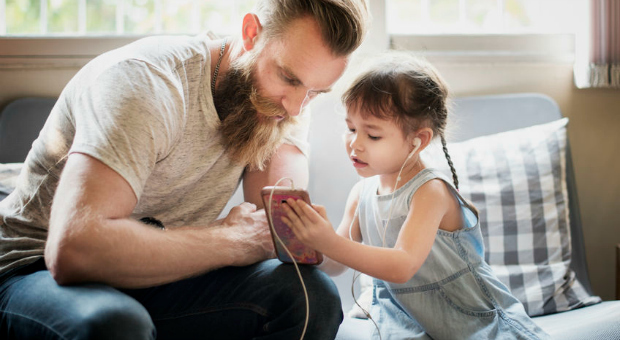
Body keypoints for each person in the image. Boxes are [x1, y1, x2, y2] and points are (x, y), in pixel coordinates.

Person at [0, 1, 369, 339]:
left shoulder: (285, 104)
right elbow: (74, 251)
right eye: (289, 78)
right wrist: (232, 241)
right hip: (33, 270)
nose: (296, 107)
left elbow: (277, 227)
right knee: (116, 324)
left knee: (311, 298)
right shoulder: (147, 83)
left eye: (317, 92)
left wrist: (343, 222)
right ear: (251, 34)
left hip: (165, 273)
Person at [281, 53, 550, 339]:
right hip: (408, 324)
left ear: (417, 140)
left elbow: (402, 266)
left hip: (471, 320)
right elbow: (336, 264)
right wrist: (309, 245)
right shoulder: (361, 194)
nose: (354, 143)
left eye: (372, 136)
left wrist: (330, 242)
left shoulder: (429, 191)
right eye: (350, 128)